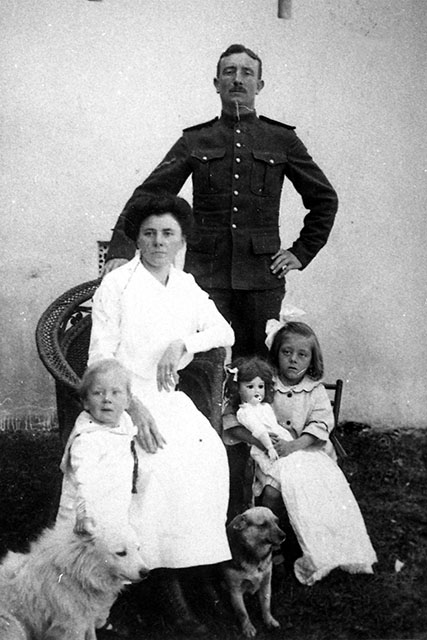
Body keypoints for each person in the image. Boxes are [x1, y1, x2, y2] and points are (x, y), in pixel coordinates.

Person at [103, 43, 338, 359]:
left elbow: (324, 198)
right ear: (217, 84)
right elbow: (149, 195)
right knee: (197, 362)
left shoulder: (282, 140)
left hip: (261, 277)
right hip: (206, 276)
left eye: (247, 73)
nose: (238, 79)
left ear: (260, 85)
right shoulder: (196, 140)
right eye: (229, 72)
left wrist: (301, 252)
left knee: (255, 367)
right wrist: (120, 249)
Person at [87, 193, 235, 636]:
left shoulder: (185, 285)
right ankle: (165, 585)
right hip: (122, 400)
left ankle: (194, 566)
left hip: (170, 399)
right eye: (149, 233)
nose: (157, 242)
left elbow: (223, 329)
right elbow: (99, 358)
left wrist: (183, 344)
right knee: (159, 465)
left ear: (181, 241)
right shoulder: (117, 285)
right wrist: (135, 407)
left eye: (168, 233)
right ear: (137, 238)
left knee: (208, 456)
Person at [223, 319, 377, 586]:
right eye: (286, 352)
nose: (293, 360)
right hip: (272, 457)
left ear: (312, 360)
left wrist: (294, 445)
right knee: (271, 493)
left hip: (307, 452)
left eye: (302, 354)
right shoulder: (264, 383)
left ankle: (322, 541)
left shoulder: (314, 390)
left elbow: (321, 424)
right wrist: (260, 441)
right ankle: (275, 550)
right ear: (276, 354)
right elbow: (236, 413)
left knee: (320, 489)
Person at [56, 358, 138, 534]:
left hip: (113, 506)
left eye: (116, 393)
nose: (107, 399)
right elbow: (84, 478)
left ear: (128, 401)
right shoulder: (87, 439)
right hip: (84, 514)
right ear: (85, 402)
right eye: (98, 393)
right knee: (81, 553)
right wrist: (84, 512)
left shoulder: (123, 423)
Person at [225, 355, 293, 465]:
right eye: (250, 387)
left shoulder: (264, 406)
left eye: (261, 387)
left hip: (272, 439)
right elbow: (233, 428)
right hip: (249, 445)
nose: (257, 391)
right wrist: (264, 442)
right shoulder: (242, 410)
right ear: (237, 389)